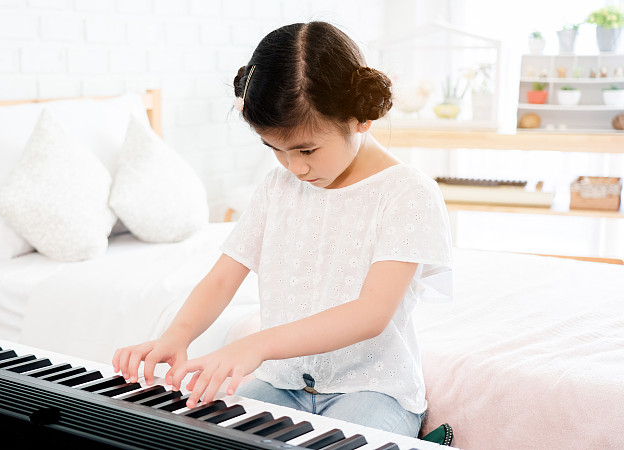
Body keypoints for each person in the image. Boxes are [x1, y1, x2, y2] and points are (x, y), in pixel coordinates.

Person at [113, 21, 453, 438]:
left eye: (307, 150)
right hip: (283, 383)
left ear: (360, 118)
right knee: (195, 436)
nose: (295, 167)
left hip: (373, 389)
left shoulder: (406, 192)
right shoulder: (279, 187)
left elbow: (371, 313)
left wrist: (256, 344)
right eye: (275, 149)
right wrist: (176, 335)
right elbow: (223, 276)